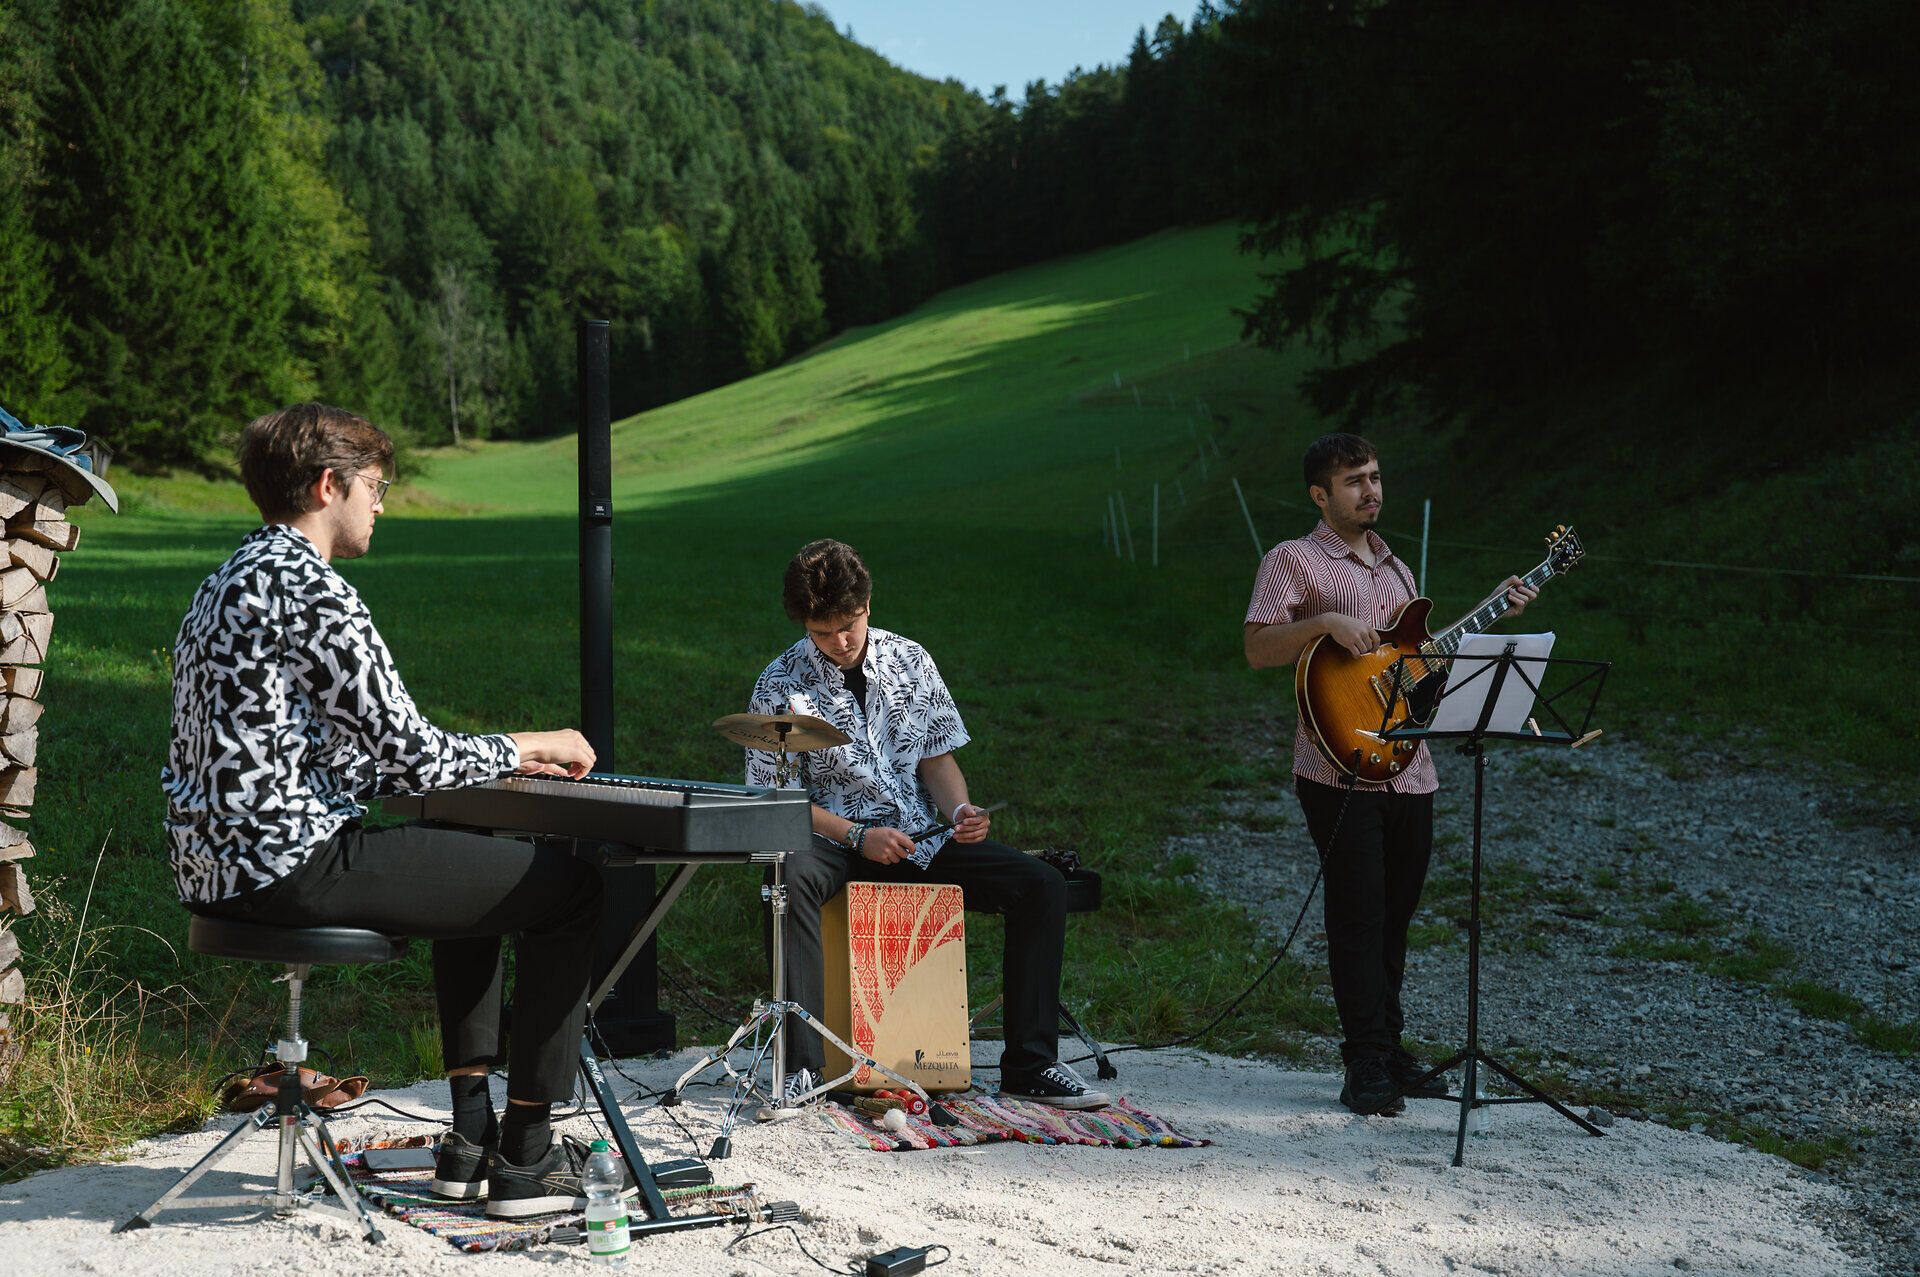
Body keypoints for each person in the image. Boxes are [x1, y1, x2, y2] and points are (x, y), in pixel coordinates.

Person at [162, 403, 619, 1219]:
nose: (382, 503)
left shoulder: (225, 581)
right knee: (574, 892)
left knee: (462, 838)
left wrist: (459, 768)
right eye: (375, 486)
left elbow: (308, 749)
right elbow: (411, 753)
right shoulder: (313, 588)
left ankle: (470, 1138)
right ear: (328, 484)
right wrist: (529, 744)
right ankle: (528, 1154)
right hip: (292, 868)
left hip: (217, 867)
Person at [744, 539, 1109, 1109]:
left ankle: (1031, 1066)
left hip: (918, 836)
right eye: (823, 632)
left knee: (1041, 884)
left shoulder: (911, 659)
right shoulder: (779, 681)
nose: (839, 642)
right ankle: (804, 1071)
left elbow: (938, 760)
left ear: (869, 604)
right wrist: (858, 835)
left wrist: (961, 811)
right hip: (832, 840)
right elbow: (776, 798)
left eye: (849, 625)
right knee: (787, 879)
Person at [1242, 433, 1533, 1115]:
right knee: (1358, 915)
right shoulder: (1295, 559)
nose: (1370, 490)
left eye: (1375, 477)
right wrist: (1323, 623)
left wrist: (1493, 605)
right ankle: (1363, 1061)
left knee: (1396, 917)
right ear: (1321, 494)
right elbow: (1257, 646)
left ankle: (1392, 1049)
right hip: (1336, 769)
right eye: (1354, 482)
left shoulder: (1399, 571)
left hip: (1412, 769)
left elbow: (1418, 661)